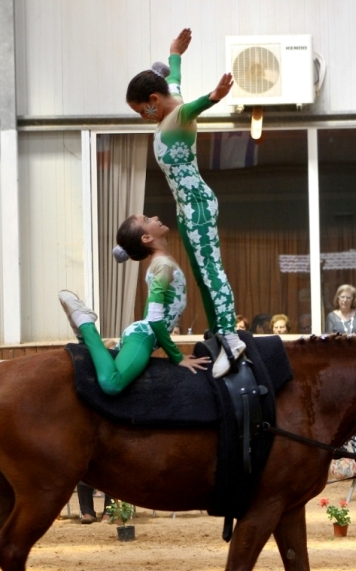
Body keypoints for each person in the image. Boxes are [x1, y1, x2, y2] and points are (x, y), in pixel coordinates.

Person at [126, 28, 243, 378]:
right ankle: (218, 333)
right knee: (201, 272)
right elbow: (174, 80)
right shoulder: (168, 103)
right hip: (187, 206)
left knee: (211, 271)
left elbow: (195, 106)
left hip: (197, 204)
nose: (142, 117)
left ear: (153, 100)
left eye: (141, 111)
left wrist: (215, 96)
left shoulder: (176, 117)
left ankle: (231, 337)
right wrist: (175, 53)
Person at [58, 214, 210, 396]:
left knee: (102, 364)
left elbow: (151, 311)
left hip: (141, 333)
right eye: (147, 219)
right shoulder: (162, 265)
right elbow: (154, 318)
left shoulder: (160, 263)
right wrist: (177, 357)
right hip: (143, 337)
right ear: (146, 238)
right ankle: (86, 324)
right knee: (112, 384)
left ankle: (85, 339)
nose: (155, 217)